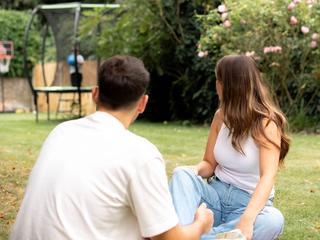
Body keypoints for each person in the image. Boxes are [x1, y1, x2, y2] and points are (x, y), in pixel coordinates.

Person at [10, 55, 213, 240]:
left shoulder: (60, 132)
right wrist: (201, 224)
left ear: (95, 94)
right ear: (143, 103)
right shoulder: (141, 154)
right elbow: (171, 239)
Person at [169, 55, 290, 240]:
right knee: (181, 174)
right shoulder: (220, 116)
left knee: (273, 220)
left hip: (247, 205)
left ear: (227, 84)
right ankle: (201, 235)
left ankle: (191, 235)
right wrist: (194, 171)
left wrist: (247, 219)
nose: (216, 85)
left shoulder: (267, 124)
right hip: (215, 197)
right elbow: (209, 163)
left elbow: (268, 176)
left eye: (217, 80)